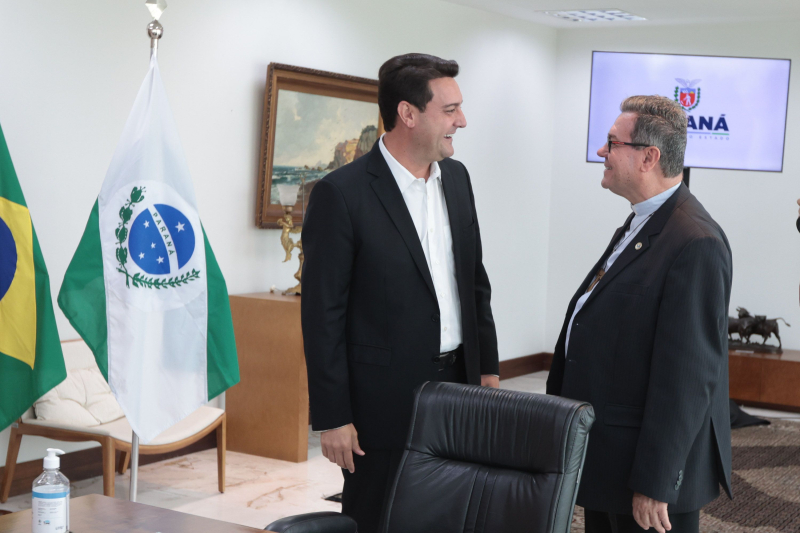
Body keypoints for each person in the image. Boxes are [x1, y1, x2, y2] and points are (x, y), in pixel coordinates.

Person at [301, 53, 499, 533]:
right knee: (378, 519)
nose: (462, 120)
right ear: (408, 114)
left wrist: (488, 371)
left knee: (453, 515)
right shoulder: (341, 194)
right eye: (450, 110)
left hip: (459, 388)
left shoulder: (458, 179)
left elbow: (475, 282)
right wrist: (333, 416)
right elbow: (322, 314)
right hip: (381, 404)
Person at [547, 95, 733, 533]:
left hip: (646, 475)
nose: (602, 151)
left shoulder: (695, 241)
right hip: (610, 455)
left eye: (612, 142)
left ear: (649, 157)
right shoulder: (644, 223)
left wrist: (655, 480)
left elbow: (687, 377)